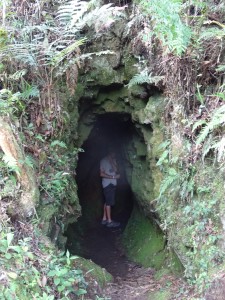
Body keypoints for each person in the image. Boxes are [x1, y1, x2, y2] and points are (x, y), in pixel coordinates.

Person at [100, 150, 120, 228]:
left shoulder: (113, 160)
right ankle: (109, 221)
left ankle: (104, 219)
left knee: (107, 201)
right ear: (109, 152)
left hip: (113, 184)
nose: (114, 154)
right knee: (109, 203)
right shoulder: (103, 161)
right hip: (107, 184)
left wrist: (112, 162)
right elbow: (101, 173)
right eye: (113, 153)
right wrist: (113, 177)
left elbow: (117, 171)